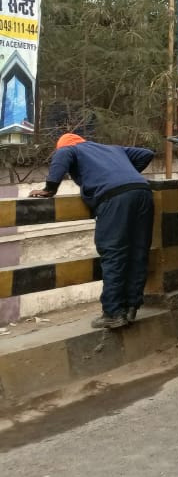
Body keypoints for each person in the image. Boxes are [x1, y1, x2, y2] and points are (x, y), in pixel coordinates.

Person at [31, 134, 155, 330]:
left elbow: (62, 155)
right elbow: (146, 154)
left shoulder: (70, 149)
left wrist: (50, 188)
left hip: (114, 199)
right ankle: (131, 307)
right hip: (143, 192)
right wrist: (125, 174)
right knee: (138, 251)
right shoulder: (112, 148)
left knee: (114, 253)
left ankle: (113, 313)